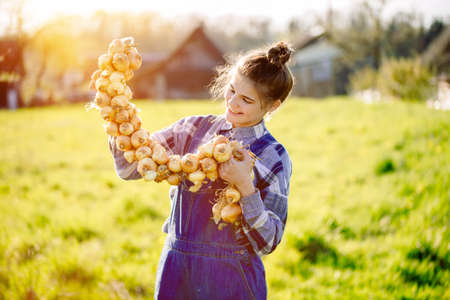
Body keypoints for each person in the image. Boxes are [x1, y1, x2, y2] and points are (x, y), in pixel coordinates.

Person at [108, 41, 294, 300]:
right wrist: (118, 117)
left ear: (273, 105)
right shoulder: (192, 129)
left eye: (247, 100)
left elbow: (268, 241)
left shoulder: (273, 156)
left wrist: (244, 186)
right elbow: (130, 168)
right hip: (177, 271)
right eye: (231, 90)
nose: (233, 102)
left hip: (231, 278)